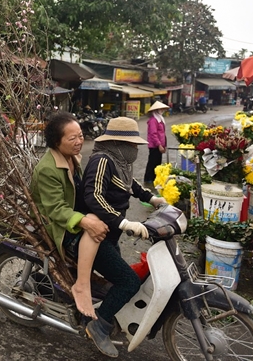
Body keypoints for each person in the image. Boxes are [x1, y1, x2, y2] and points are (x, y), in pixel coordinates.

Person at [78, 117, 167, 357]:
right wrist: (123, 221)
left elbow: (131, 186)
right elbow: (93, 197)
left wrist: (153, 199)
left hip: (109, 235)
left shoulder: (118, 162)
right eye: (132, 145)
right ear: (119, 143)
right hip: (92, 236)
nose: (136, 149)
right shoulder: (101, 161)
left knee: (116, 280)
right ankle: (99, 326)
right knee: (129, 281)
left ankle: (102, 312)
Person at [30, 112, 109, 316]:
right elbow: (55, 209)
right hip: (56, 223)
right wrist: (85, 221)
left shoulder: (73, 158)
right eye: (72, 138)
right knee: (93, 226)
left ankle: (91, 279)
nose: (79, 141)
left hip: (72, 214)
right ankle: (82, 285)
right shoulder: (48, 169)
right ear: (57, 142)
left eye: (81, 136)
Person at [144, 101, 169, 188]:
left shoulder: (160, 119)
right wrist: (159, 145)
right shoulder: (153, 120)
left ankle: (154, 179)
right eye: (161, 109)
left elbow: (162, 133)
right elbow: (153, 134)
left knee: (157, 163)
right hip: (155, 146)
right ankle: (148, 179)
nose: (162, 110)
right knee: (152, 163)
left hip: (160, 145)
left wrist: (164, 144)